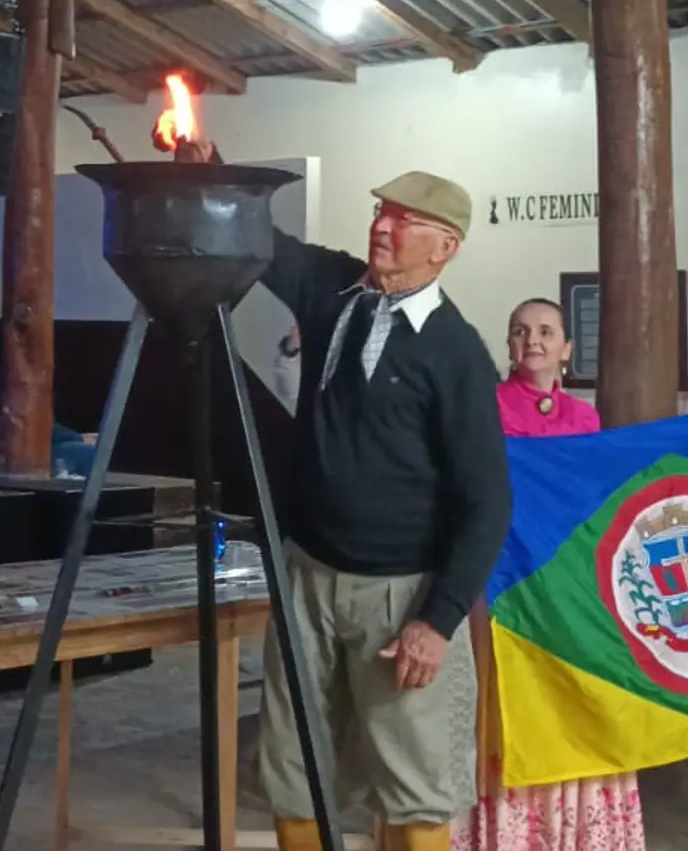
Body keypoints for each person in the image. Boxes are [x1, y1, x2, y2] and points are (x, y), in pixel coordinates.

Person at [180, 146, 511, 851]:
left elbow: (487, 501)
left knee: (414, 785)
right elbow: (267, 244)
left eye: (405, 218)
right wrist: (215, 168)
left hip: (402, 596)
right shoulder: (333, 289)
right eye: (381, 211)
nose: (383, 226)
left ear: (445, 247)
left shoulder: (457, 354)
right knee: (291, 769)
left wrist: (438, 618)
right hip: (308, 578)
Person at [454, 298, 642, 851]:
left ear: (566, 349)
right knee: (503, 702)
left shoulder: (586, 421)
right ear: (508, 346)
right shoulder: (483, 410)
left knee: (563, 701)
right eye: (519, 331)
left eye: (544, 331)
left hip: (562, 588)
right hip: (499, 582)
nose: (531, 340)